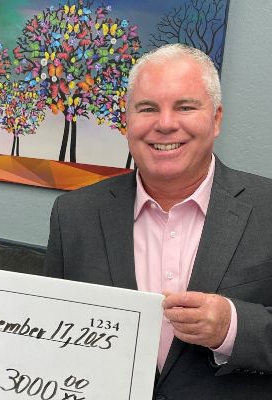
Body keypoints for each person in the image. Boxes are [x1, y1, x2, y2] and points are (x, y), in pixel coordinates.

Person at [44, 43, 272, 398]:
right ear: (127, 121)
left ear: (216, 119)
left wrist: (233, 327)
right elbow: (51, 336)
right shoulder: (73, 215)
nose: (165, 124)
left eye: (185, 107)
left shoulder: (266, 208)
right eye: (148, 108)